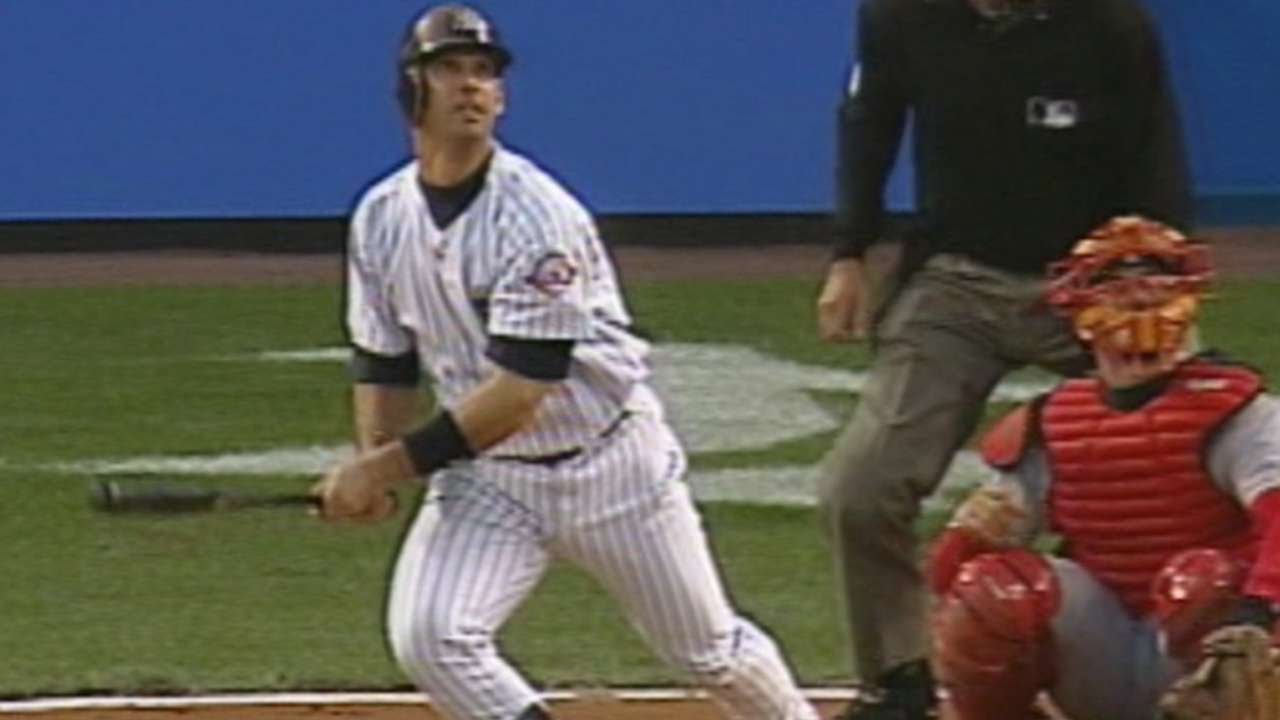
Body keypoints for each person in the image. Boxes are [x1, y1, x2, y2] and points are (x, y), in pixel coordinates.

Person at [309, 6, 820, 720]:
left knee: (707, 651)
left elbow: (522, 394)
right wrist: (371, 461)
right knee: (432, 636)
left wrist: (384, 469)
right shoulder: (380, 216)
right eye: (450, 68)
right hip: (492, 484)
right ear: (411, 89)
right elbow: (384, 360)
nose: (471, 86)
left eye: (484, 72)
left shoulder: (539, 220)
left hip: (611, 468)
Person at [814, 0, 1193, 716]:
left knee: (1174, 457)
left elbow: (1156, 154)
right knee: (860, 490)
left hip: (1096, 291)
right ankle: (896, 679)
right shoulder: (901, 16)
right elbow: (870, 125)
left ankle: (1180, 657)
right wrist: (849, 251)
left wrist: (1155, 287)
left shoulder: (1111, 23)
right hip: (954, 282)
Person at [926, 216, 1280, 720]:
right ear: (1081, 313)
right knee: (994, 590)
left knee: (1205, 585)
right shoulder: (1052, 422)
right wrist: (966, 569)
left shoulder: (1239, 412)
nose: (1140, 312)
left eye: (1155, 295)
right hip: (1104, 648)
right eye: (1122, 297)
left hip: (1216, 643)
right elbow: (953, 569)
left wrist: (1259, 611)